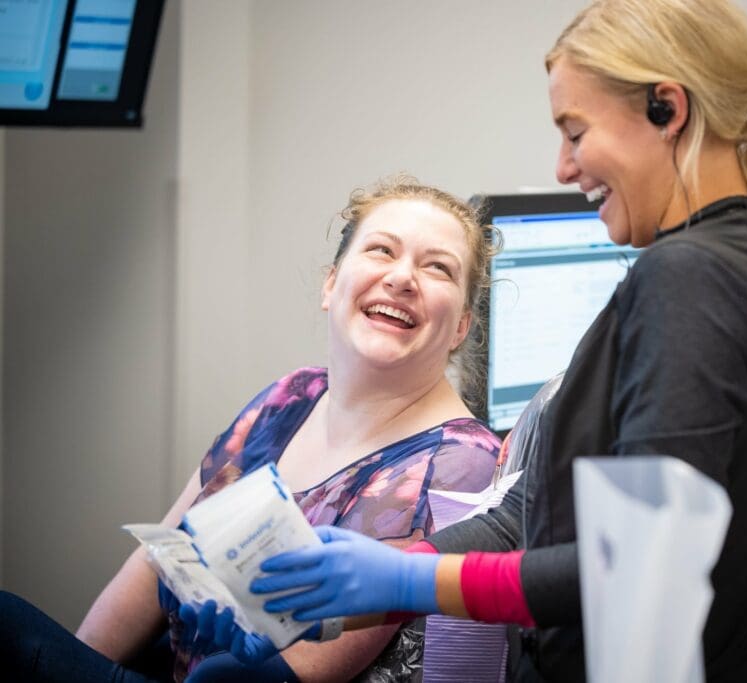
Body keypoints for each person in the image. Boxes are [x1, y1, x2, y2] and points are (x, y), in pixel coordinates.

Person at [239, 1, 747, 681]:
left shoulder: (690, 276)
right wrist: (386, 574)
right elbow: (541, 512)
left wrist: (409, 587)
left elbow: (634, 565)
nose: (563, 166)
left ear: (668, 109)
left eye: (575, 132)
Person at [0, 177, 504, 682]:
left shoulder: (460, 464)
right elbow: (158, 560)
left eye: (437, 267)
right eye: (381, 250)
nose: (402, 278)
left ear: (461, 325)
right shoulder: (291, 396)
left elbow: (301, 671)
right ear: (331, 285)